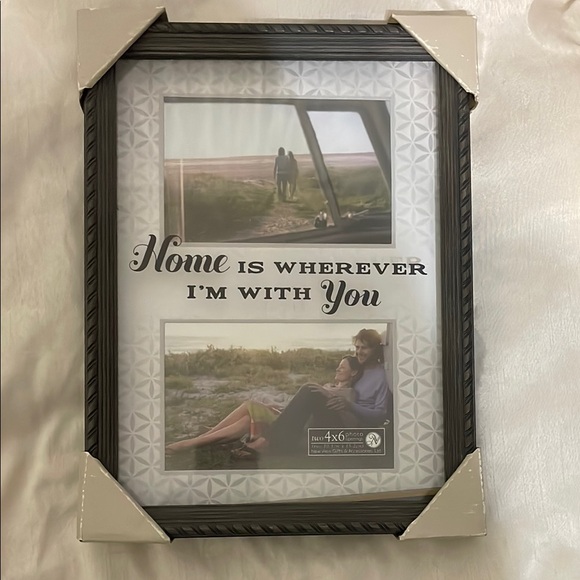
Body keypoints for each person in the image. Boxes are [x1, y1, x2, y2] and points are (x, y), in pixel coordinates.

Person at [165, 355, 363, 456]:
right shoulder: (328, 386)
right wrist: (279, 405)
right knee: (248, 415)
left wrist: (324, 392)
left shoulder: (348, 393)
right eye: (338, 366)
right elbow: (298, 409)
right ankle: (201, 439)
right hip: (290, 421)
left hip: (299, 431)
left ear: (353, 372)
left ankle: (192, 442)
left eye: (342, 367)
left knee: (251, 408)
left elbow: (349, 421)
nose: (337, 369)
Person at [254, 329, 388, 454]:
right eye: (357, 347)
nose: (359, 352)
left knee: (310, 389)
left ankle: (269, 442)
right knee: (311, 390)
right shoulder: (359, 368)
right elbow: (343, 390)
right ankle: (277, 440)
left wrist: (350, 406)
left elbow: (381, 415)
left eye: (364, 348)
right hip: (340, 415)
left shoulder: (380, 376)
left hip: (353, 430)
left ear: (375, 349)